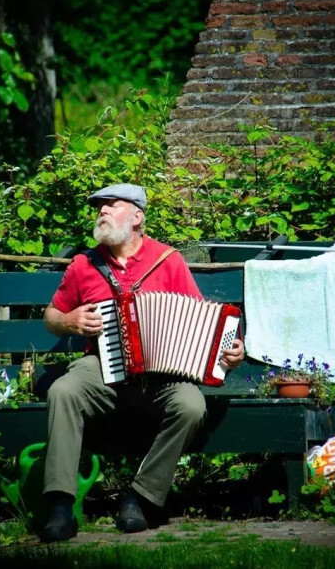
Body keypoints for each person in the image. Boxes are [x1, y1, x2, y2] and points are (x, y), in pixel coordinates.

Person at [40, 183, 245, 543]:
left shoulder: (168, 261)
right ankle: (60, 506)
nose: (102, 211)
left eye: (111, 205)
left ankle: (141, 497)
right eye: (99, 206)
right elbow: (52, 315)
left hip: (161, 374)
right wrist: (69, 321)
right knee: (64, 390)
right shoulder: (84, 265)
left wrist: (230, 352)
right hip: (101, 367)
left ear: (137, 217)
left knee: (192, 405)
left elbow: (207, 325)